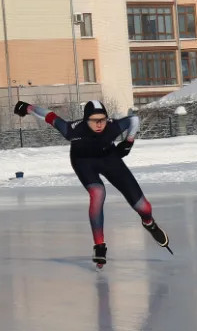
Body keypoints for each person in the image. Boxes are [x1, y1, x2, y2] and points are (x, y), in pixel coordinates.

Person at [14, 99, 170, 265]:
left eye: (102, 119)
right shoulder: (72, 130)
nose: (99, 124)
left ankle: (149, 223)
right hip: (83, 162)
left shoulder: (112, 126)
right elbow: (49, 115)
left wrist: (128, 143)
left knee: (144, 207)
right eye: (94, 120)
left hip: (109, 158)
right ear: (86, 120)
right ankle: (99, 245)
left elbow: (134, 120)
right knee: (98, 193)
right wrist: (29, 108)